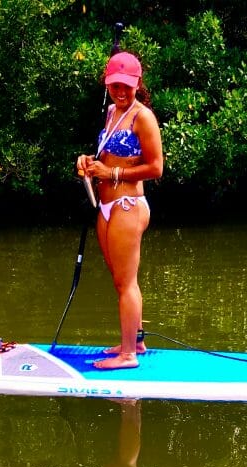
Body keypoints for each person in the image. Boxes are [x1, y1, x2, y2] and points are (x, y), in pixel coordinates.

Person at [75, 51, 164, 370]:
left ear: (138, 84)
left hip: (128, 205)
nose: (122, 92)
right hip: (106, 206)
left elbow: (156, 168)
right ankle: (135, 342)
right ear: (107, 84)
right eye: (115, 86)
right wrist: (87, 164)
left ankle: (127, 355)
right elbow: (108, 155)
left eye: (127, 86)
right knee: (120, 280)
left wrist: (112, 174)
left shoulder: (143, 117)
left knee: (127, 282)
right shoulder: (111, 112)